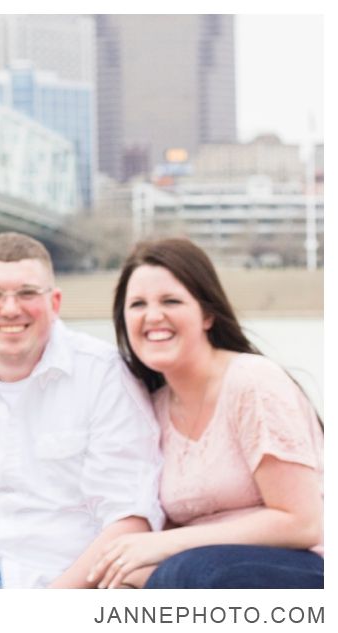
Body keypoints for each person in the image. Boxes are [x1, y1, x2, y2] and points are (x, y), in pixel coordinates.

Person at [88, 237, 323, 589]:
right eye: (137, 304)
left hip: (303, 567)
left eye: (171, 301)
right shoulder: (150, 407)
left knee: (187, 572)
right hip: (203, 572)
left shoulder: (252, 382)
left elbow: (303, 522)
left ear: (207, 314)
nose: (153, 316)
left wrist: (166, 546)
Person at [0, 232, 164, 588]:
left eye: (28, 293)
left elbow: (130, 515)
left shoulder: (104, 373)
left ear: (55, 302)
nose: (10, 309)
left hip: (72, 577)